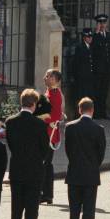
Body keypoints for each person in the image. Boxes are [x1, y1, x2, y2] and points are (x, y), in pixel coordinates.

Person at [5, 89, 49, 219]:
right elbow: (45, 148)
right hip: (34, 171)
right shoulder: (38, 124)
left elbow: (10, 144)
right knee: (32, 210)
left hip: (17, 169)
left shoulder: (10, 121)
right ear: (34, 104)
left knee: (16, 210)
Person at [65, 97, 106, 219]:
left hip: (74, 174)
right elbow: (101, 154)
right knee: (88, 212)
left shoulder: (70, 127)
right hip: (90, 175)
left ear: (79, 109)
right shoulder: (99, 128)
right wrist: (93, 166)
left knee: (74, 212)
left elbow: (68, 150)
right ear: (92, 110)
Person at [38, 69, 63, 205]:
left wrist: (39, 118)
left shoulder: (54, 93)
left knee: (45, 164)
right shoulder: (50, 92)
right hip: (46, 132)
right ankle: (47, 194)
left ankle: (45, 194)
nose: (45, 78)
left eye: (49, 76)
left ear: (56, 80)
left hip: (49, 133)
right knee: (46, 164)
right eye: (46, 75)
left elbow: (54, 115)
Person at [91, 14, 110, 119]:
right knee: (97, 91)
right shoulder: (94, 36)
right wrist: (96, 33)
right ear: (97, 24)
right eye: (100, 23)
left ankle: (103, 112)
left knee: (104, 92)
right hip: (97, 69)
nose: (102, 25)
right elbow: (92, 49)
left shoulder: (109, 35)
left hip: (107, 69)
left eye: (104, 22)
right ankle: (96, 113)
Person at [73, 28, 95, 101]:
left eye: (91, 36)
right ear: (84, 38)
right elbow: (77, 63)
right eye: (88, 37)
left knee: (89, 97)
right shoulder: (80, 48)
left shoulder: (91, 47)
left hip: (90, 77)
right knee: (82, 97)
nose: (90, 38)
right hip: (82, 78)